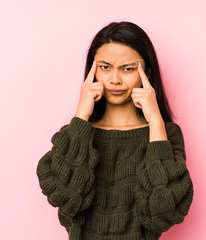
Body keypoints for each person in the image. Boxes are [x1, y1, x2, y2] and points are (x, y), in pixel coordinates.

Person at [36, 21, 193, 240]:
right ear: (93, 70)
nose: (115, 80)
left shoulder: (167, 134)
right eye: (105, 67)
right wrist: (81, 114)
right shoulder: (76, 135)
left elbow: (162, 212)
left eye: (128, 69)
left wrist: (155, 121)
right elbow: (65, 196)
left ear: (146, 71)